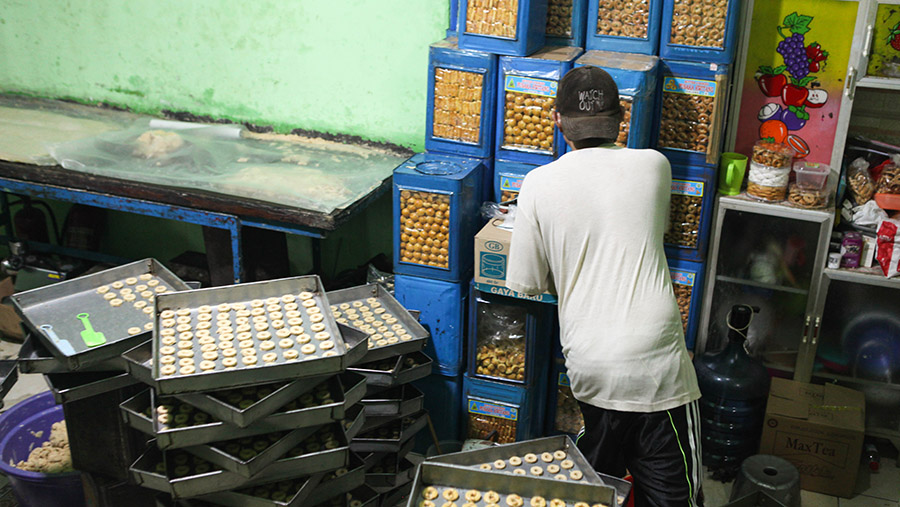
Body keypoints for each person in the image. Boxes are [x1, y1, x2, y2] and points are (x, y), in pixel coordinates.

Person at [505, 66, 703, 507]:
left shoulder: (536, 184)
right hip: (657, 369)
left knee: (596, 492)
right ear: (621, 120)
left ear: (557, 121)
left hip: (590, 364)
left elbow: (528, 283)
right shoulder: (655, 166)